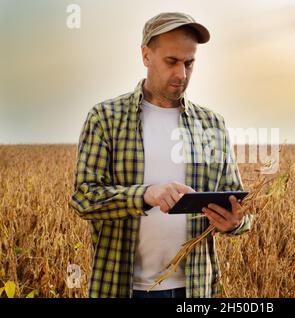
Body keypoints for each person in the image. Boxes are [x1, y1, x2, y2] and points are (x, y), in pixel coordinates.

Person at [69, 12, 253, 298]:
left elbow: (241, 208)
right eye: (171, 61)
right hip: (121, 287)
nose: (181, 74)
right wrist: (146, 195)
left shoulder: (212, 124)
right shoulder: (105, 118)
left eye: (189, 63)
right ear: (146, 56)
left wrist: (236, 223)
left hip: (193, 289)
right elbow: (83, 198)